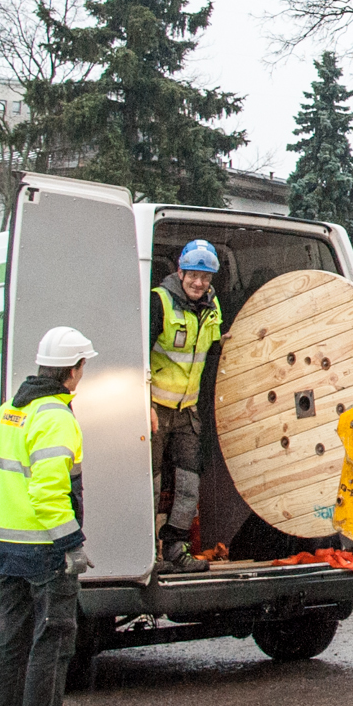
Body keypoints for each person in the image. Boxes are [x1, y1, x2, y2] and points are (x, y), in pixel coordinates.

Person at [0, 326, 96, 706]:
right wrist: (71, 543)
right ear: (72, 370)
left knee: (9, 642)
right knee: (51, 643)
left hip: (6, 548)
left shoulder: (6, 414)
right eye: (83, 366)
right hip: (46, 552)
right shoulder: (55, 418)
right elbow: (49, 492)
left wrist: (17, 518)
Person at [149, 239, 224, 573]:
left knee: (189, 483)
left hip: (187, 410)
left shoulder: (213, 306)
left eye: (206, 277)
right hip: (154, 408)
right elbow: (137, 355)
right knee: (150, 482)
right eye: (194, 275)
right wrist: (142, 402)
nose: (199, 283)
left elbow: (218, 351)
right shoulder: (159, 302)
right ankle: (148, 552)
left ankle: (176, 549)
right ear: (180, 272)